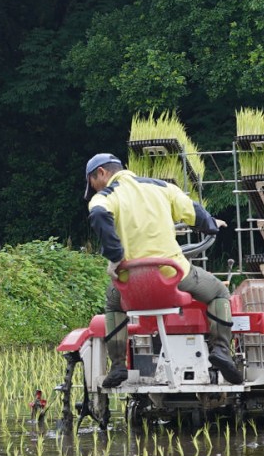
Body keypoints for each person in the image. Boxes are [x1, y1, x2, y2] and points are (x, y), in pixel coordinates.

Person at [83, 153, 242, 386]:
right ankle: (221, 351)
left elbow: (98, 213)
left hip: (131, 279)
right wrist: (211, 224)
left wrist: (115, 256)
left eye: (93, 183)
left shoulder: (106, 197)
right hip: (173, 274)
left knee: (112, 303)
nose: (95, 189)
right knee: (219, 292)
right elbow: (195, 213)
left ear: (101, 173)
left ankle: (118, 366)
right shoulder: (162, 187)